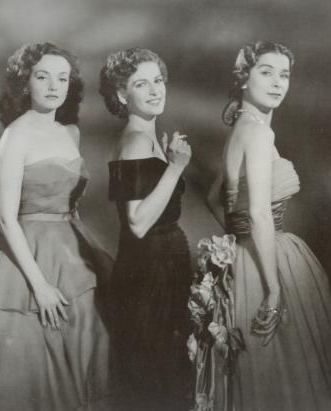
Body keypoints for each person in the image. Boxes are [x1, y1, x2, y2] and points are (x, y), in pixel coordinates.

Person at [0, 42, 112, 411]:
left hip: (73, 254)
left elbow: (71, 204)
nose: (54, 86)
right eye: (43, 76)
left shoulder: (71, 133)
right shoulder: (15, 136)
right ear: (25, 82)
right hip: (27, 257)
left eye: (62, 78)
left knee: (84, 358)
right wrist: (41, 286)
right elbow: (6, 218)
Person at [207, 40, 331, 410]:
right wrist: (274, 289)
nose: (278, 82)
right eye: (266, 72)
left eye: (284, 74)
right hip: (269, 262)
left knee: (263, 377)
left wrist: (238, 239)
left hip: (243, 260)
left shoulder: (240, 129)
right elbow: (260, 213)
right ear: (244, 78)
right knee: (286, 378)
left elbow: (215, 198)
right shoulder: (259, 133)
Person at [99, 47, 193, 411]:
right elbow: (137, 222)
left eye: (158, 80)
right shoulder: (136, 140)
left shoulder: (145, 138)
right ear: (122, 95)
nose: (155, 90)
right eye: (141, 84)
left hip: (158, 270)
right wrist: (175, 168)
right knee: (155, 383)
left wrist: (167, 164)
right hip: (148, 277)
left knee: (162, 378)